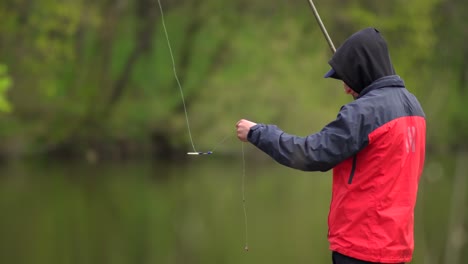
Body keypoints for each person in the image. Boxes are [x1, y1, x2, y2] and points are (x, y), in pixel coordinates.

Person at [235, 27, 426, 264]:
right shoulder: (413, 106)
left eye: (349, 78)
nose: (346, 88)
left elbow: (311, 153)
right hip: (397, 248)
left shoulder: (365, 112)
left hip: (361, 248)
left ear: (363, 70)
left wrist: (257, 133)